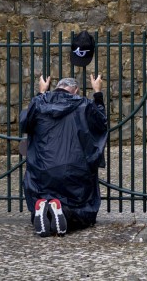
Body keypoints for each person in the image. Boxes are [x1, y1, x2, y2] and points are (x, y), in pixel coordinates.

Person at [21, 74, 108, 237]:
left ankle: (43, 207)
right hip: (74, 171)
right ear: (75, 90)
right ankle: (63, 211)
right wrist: (97, 92)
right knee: (83, 211)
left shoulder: (39, 103)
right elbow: (101, 122)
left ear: (57, 88)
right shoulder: (83, 104)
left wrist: (41, 93)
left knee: (42, 196)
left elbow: (26, 122)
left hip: (42, 171)